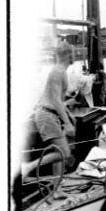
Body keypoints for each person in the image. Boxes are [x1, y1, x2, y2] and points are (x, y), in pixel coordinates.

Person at [22, 43, 77, 192]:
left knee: (59, 153)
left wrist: (68, 110)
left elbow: (58, 99)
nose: (75, 57)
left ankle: (56, 191)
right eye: (73, 54)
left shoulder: (61, 71)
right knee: (64, 153)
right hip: (47, 115)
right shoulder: (57, 72)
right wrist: (68, 123)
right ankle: (28, 167)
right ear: (68, 55)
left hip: (50, 115)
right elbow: (55, 100)